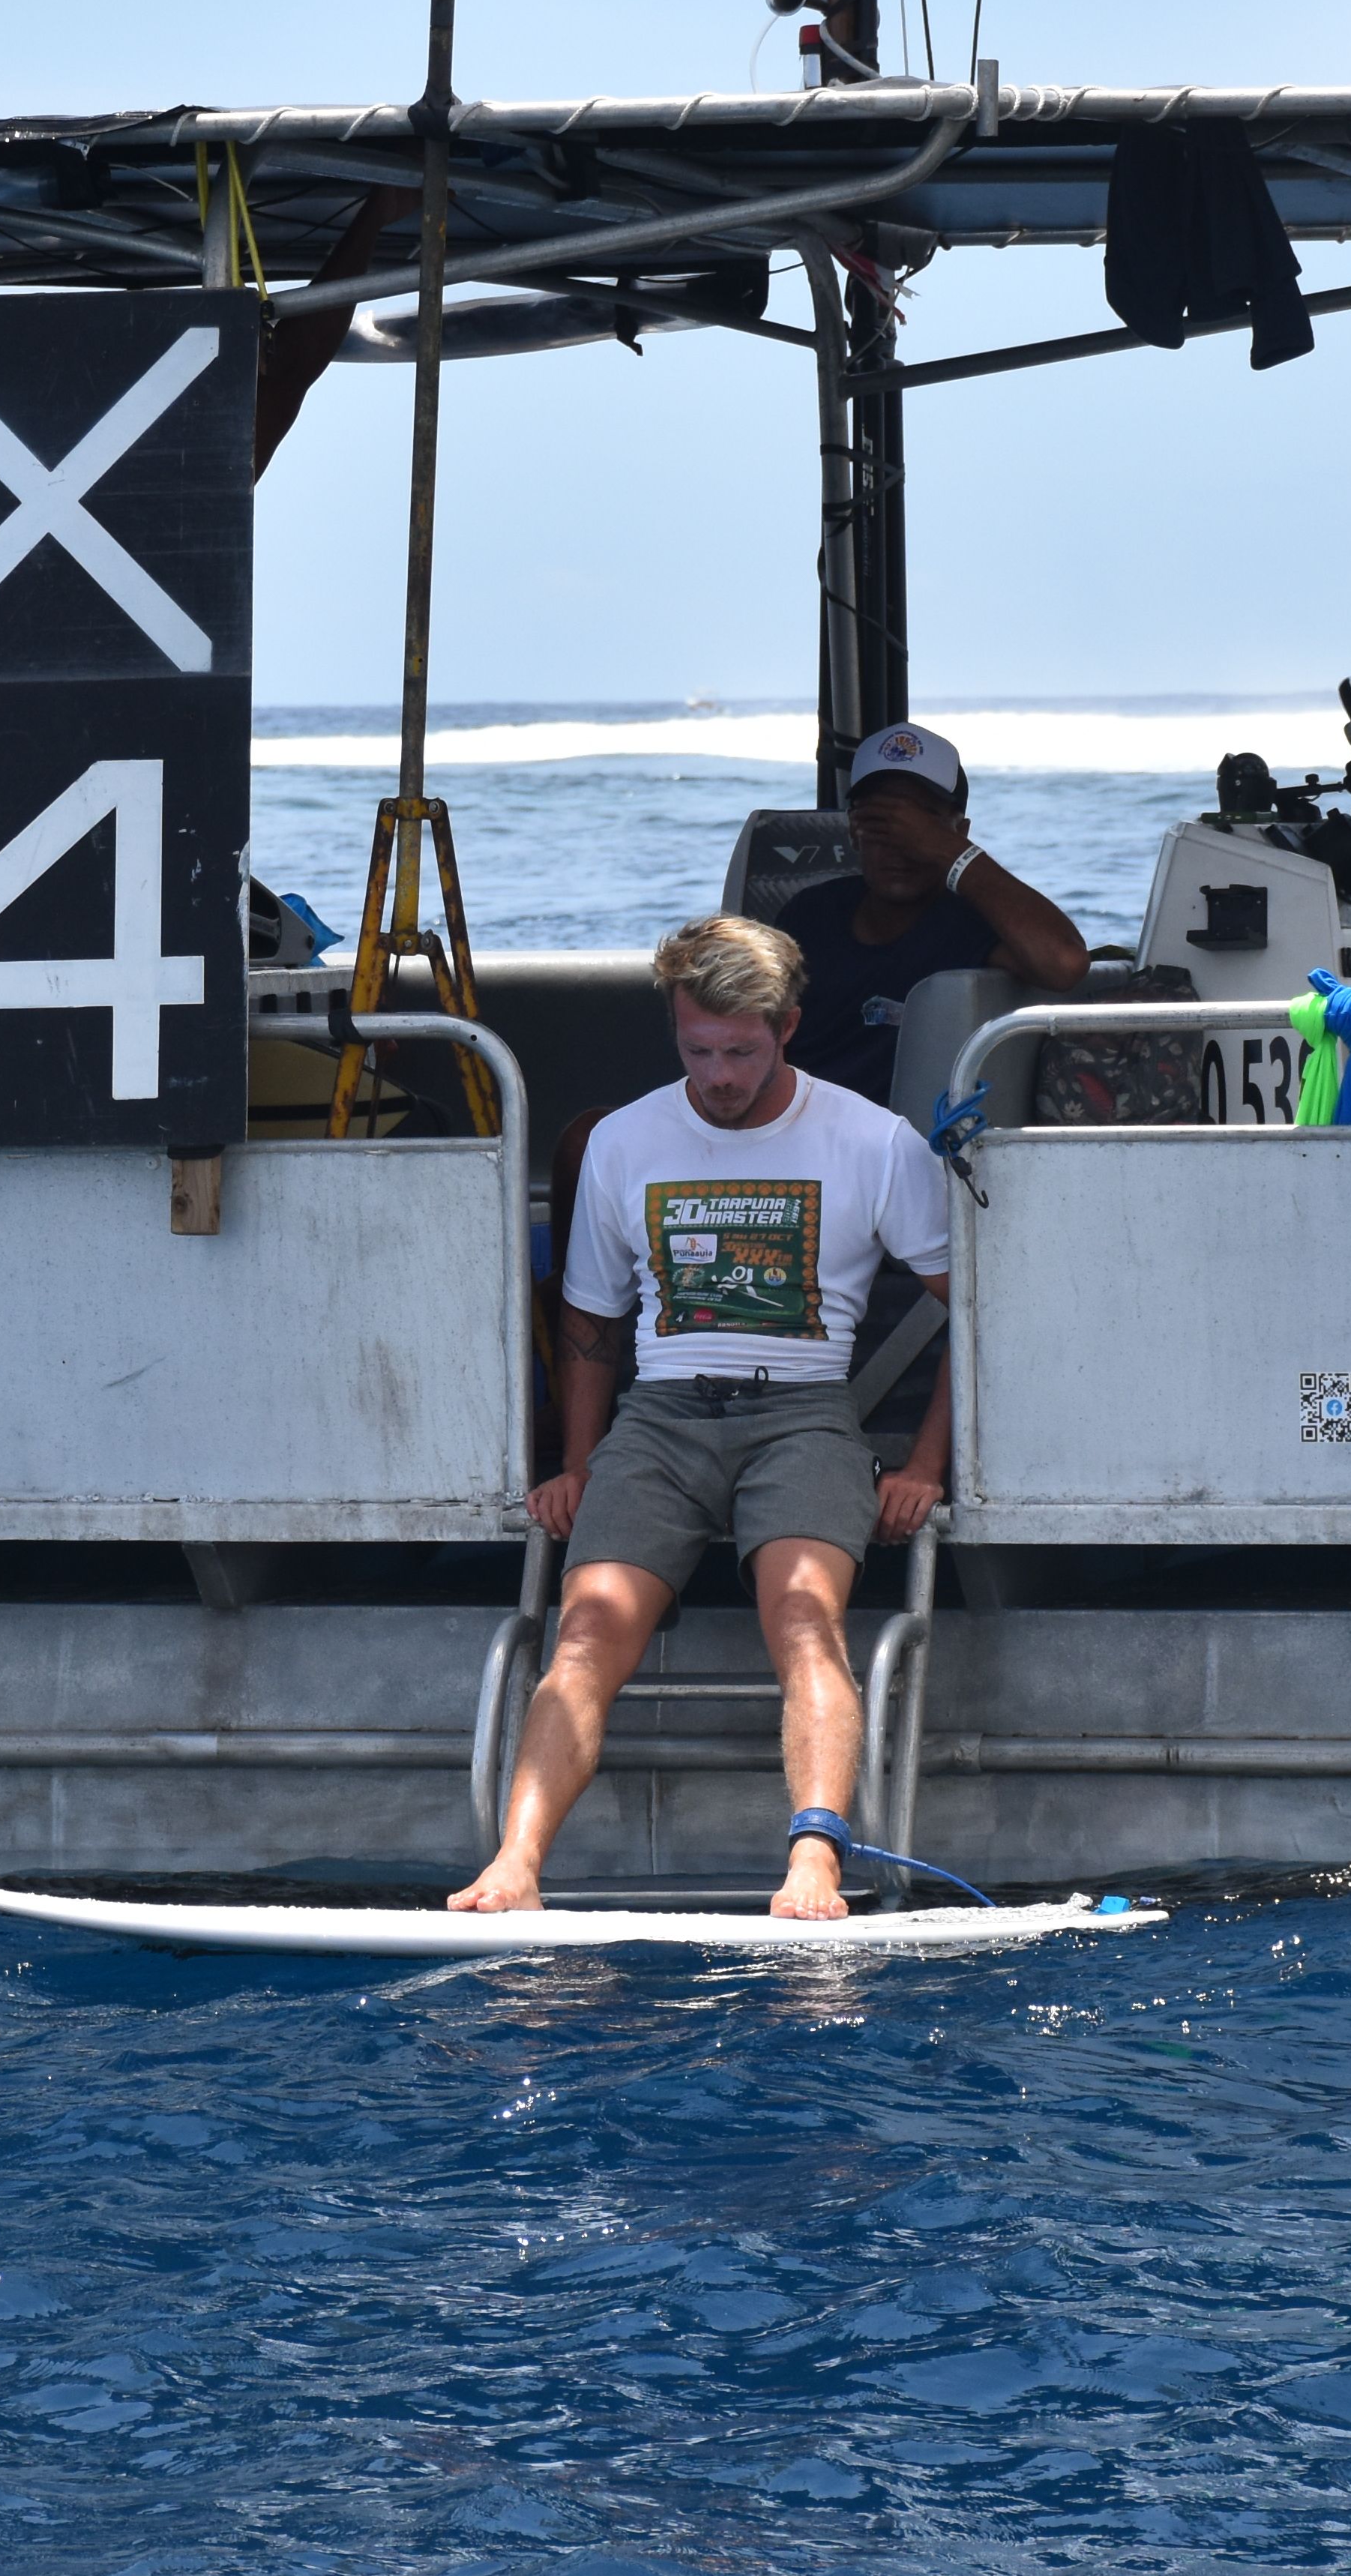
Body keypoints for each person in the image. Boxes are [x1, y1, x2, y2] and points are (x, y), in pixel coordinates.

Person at [454, 913, 954, 1919]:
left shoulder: (872, 1140)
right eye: (698, 1051)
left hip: (804, 1414)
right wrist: (580, 1461)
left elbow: (977, 1313)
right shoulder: (624, 1140)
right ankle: (514, 1864)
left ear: (789, 1028)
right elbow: (591, 1322)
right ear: (674, 1031)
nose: (720, 1075)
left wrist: (927, 1465)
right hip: (661, 1418)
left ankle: (814, 1860)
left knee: (806, 1617)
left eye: (742, 1051)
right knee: (587, 1625)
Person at [768, 721, 1087, 1108]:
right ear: (854, 831)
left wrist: (948, 852)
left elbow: (1065, 963)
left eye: (919, 826)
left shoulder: (971, 921)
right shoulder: (810, 914)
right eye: (881, 823)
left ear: (959, 833)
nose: (901, 845)